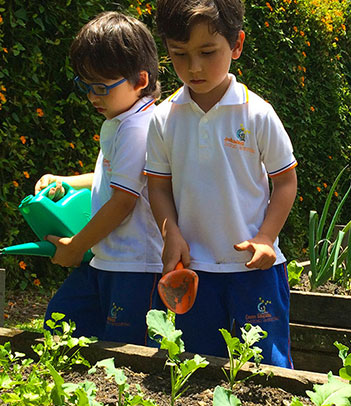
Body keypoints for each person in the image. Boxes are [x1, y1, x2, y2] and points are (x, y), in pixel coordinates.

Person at [145, 0, 298, 368]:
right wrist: (171, 233)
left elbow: (286, 182)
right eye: (179, 54)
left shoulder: (257, 112)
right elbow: (159, 187)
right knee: (194, 367)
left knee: (268, 371)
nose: (193, 67)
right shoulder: (163, 118)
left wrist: (265, 238)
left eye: (207, 52)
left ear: (237, 45)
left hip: (254, 270)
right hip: (192, 270)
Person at [35, 11, 163, 345]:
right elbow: (111, 178)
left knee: (126, 351)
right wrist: (65, 180)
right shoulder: (123, 120)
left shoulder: (137, 129)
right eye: (85, 85)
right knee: (63, 322)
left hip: (136, 266)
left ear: (141, 80)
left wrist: (76, 247)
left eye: (101, 87)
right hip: (108, 258)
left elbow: (123, 201)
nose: (92, 96)